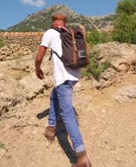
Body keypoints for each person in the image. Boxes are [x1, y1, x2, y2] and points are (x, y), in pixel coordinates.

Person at [35, 13, 92, 167]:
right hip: (74, 75)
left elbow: (40, 55)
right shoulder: (69, 33)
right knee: (54, 95)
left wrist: (37, 68)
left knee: (67, 114)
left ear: (53, 22)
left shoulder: (50, 33)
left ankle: (81, 157)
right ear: (64, 23)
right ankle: (51, 129)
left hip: (63, 79)